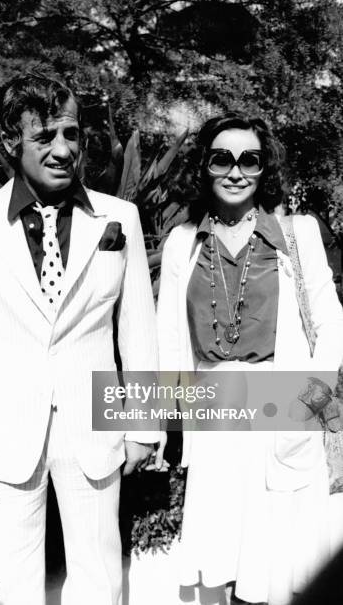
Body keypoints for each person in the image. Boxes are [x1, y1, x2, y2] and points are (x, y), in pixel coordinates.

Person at [0, 74, 159, 605]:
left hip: (95, 429)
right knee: (11, 580)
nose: (63, 151)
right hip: (5, 434)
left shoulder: (119, 217)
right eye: (45, 137)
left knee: (100, 574)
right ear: (11, 142)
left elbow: (138, 334)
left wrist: (143, 425)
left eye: (72, 135)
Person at [156, 112, 343, 605]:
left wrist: (308, 402)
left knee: (276, 559)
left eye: (250, 160)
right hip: (214, 415)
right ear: (203, 166)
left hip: (280, 410)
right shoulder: (182, 244)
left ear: (265, 170)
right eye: (222, 159)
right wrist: (169, 424)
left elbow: (331, 326)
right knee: (219, 556)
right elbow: (171, 339)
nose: (236, 172)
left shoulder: (298, 235)